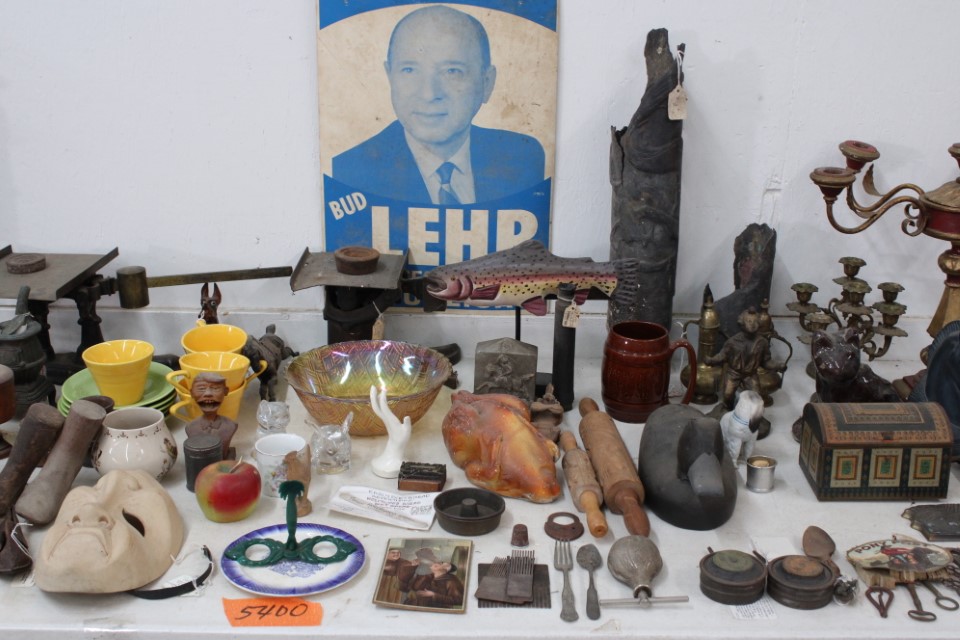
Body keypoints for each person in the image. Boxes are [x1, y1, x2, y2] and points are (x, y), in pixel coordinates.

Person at [332, 4, 545, 204]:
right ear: (390, 77)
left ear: (487, 83)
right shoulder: (349, 171)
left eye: (452, 71)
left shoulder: (524, 157)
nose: (429, 94)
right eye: (409, 70)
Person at [185, 372, 238, 459]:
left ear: (226, 391)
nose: (208, 393)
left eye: (215, 388)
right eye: (201, 389)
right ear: (191, 393)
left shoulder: (231, 425)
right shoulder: (190, 427)